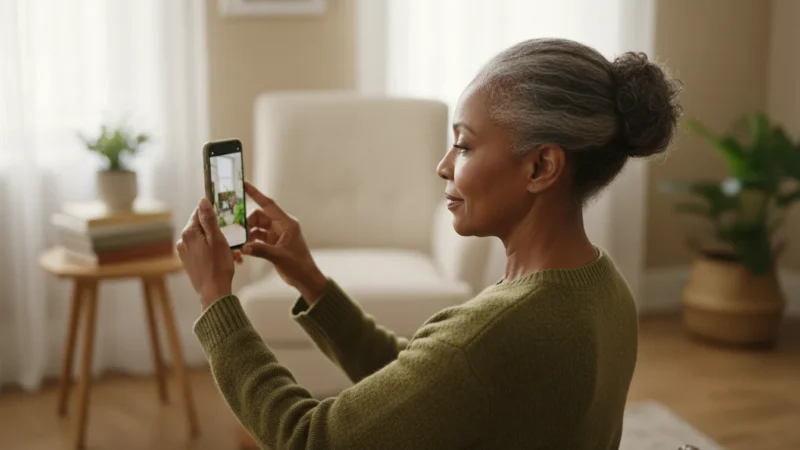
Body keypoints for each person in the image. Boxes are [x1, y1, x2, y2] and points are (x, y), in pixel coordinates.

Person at [177, 38, 682, 449]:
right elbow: (424, 387)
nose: (444, 165)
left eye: (464, 144)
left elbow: (310, 438)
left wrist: (215, 299)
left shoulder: (496, 332)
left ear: (541, 167)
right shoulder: (606, 287)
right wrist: (307, 278)